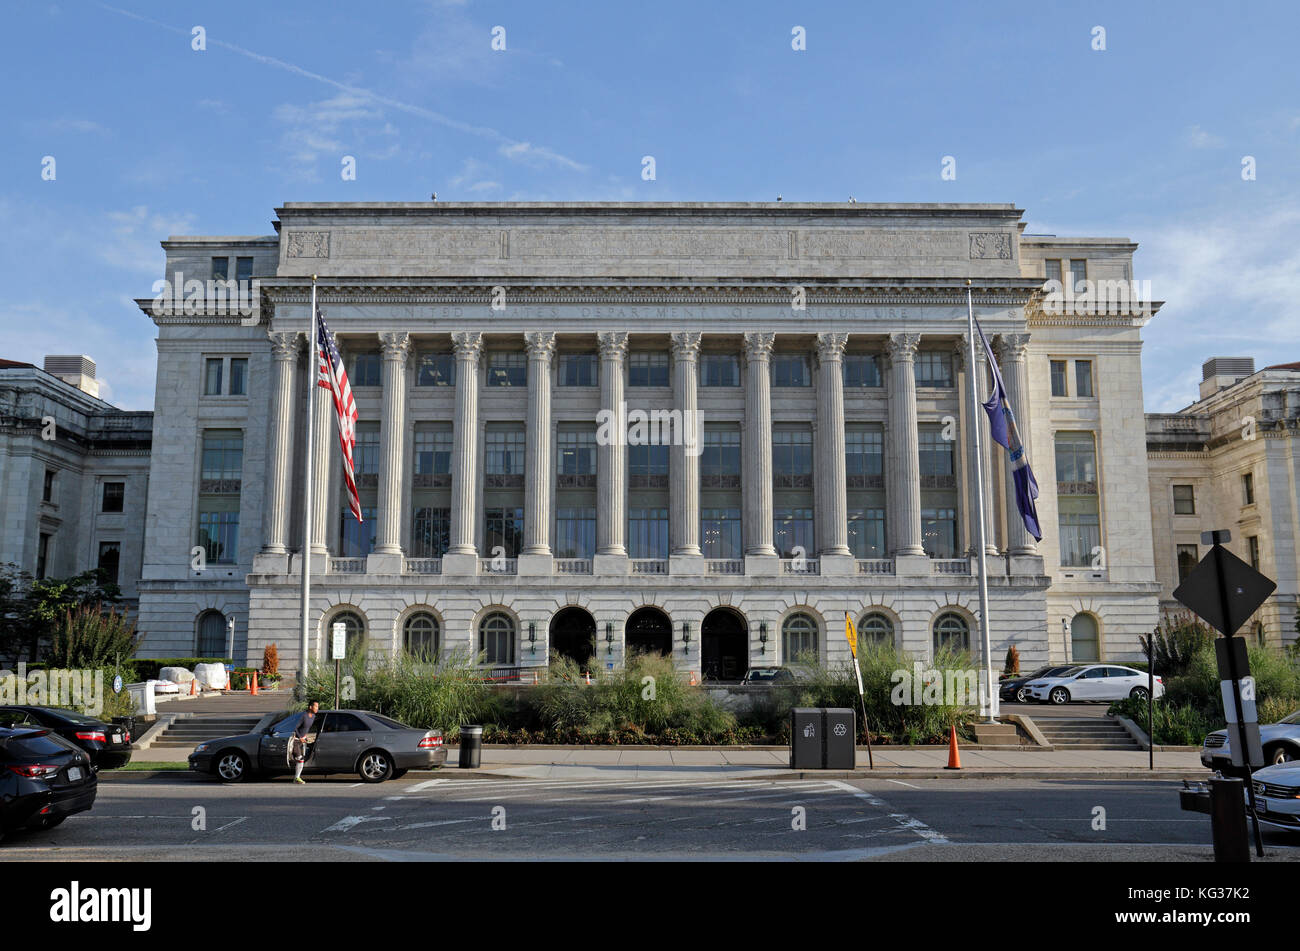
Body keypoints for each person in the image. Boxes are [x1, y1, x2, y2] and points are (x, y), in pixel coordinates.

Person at [290, 701, 319, 784]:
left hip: (302, 741)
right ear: (310, 707)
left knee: (300, 758)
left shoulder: (313, 716)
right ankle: (296, 778)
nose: (317, 708)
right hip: (295, 740)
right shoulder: (303, 716)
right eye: (316, 706)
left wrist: (305, 736)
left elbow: (306, 728)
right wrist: (299, 737)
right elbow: (295, 727)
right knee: (300, 759)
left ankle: (296, 778)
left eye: (318, 707)